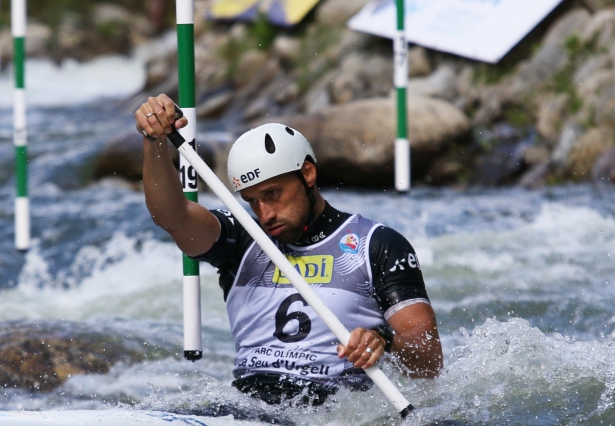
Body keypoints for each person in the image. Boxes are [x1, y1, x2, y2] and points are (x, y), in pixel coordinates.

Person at [136, 94, 443, 405]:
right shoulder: (241, 237)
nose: (265, 213)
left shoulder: (376, 245)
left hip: (329, 415)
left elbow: (429, 358)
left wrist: (383, 341)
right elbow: (171, 216)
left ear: (307, 174)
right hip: (248, 406)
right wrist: (154, 139)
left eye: (273, 193)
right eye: (252, 200)